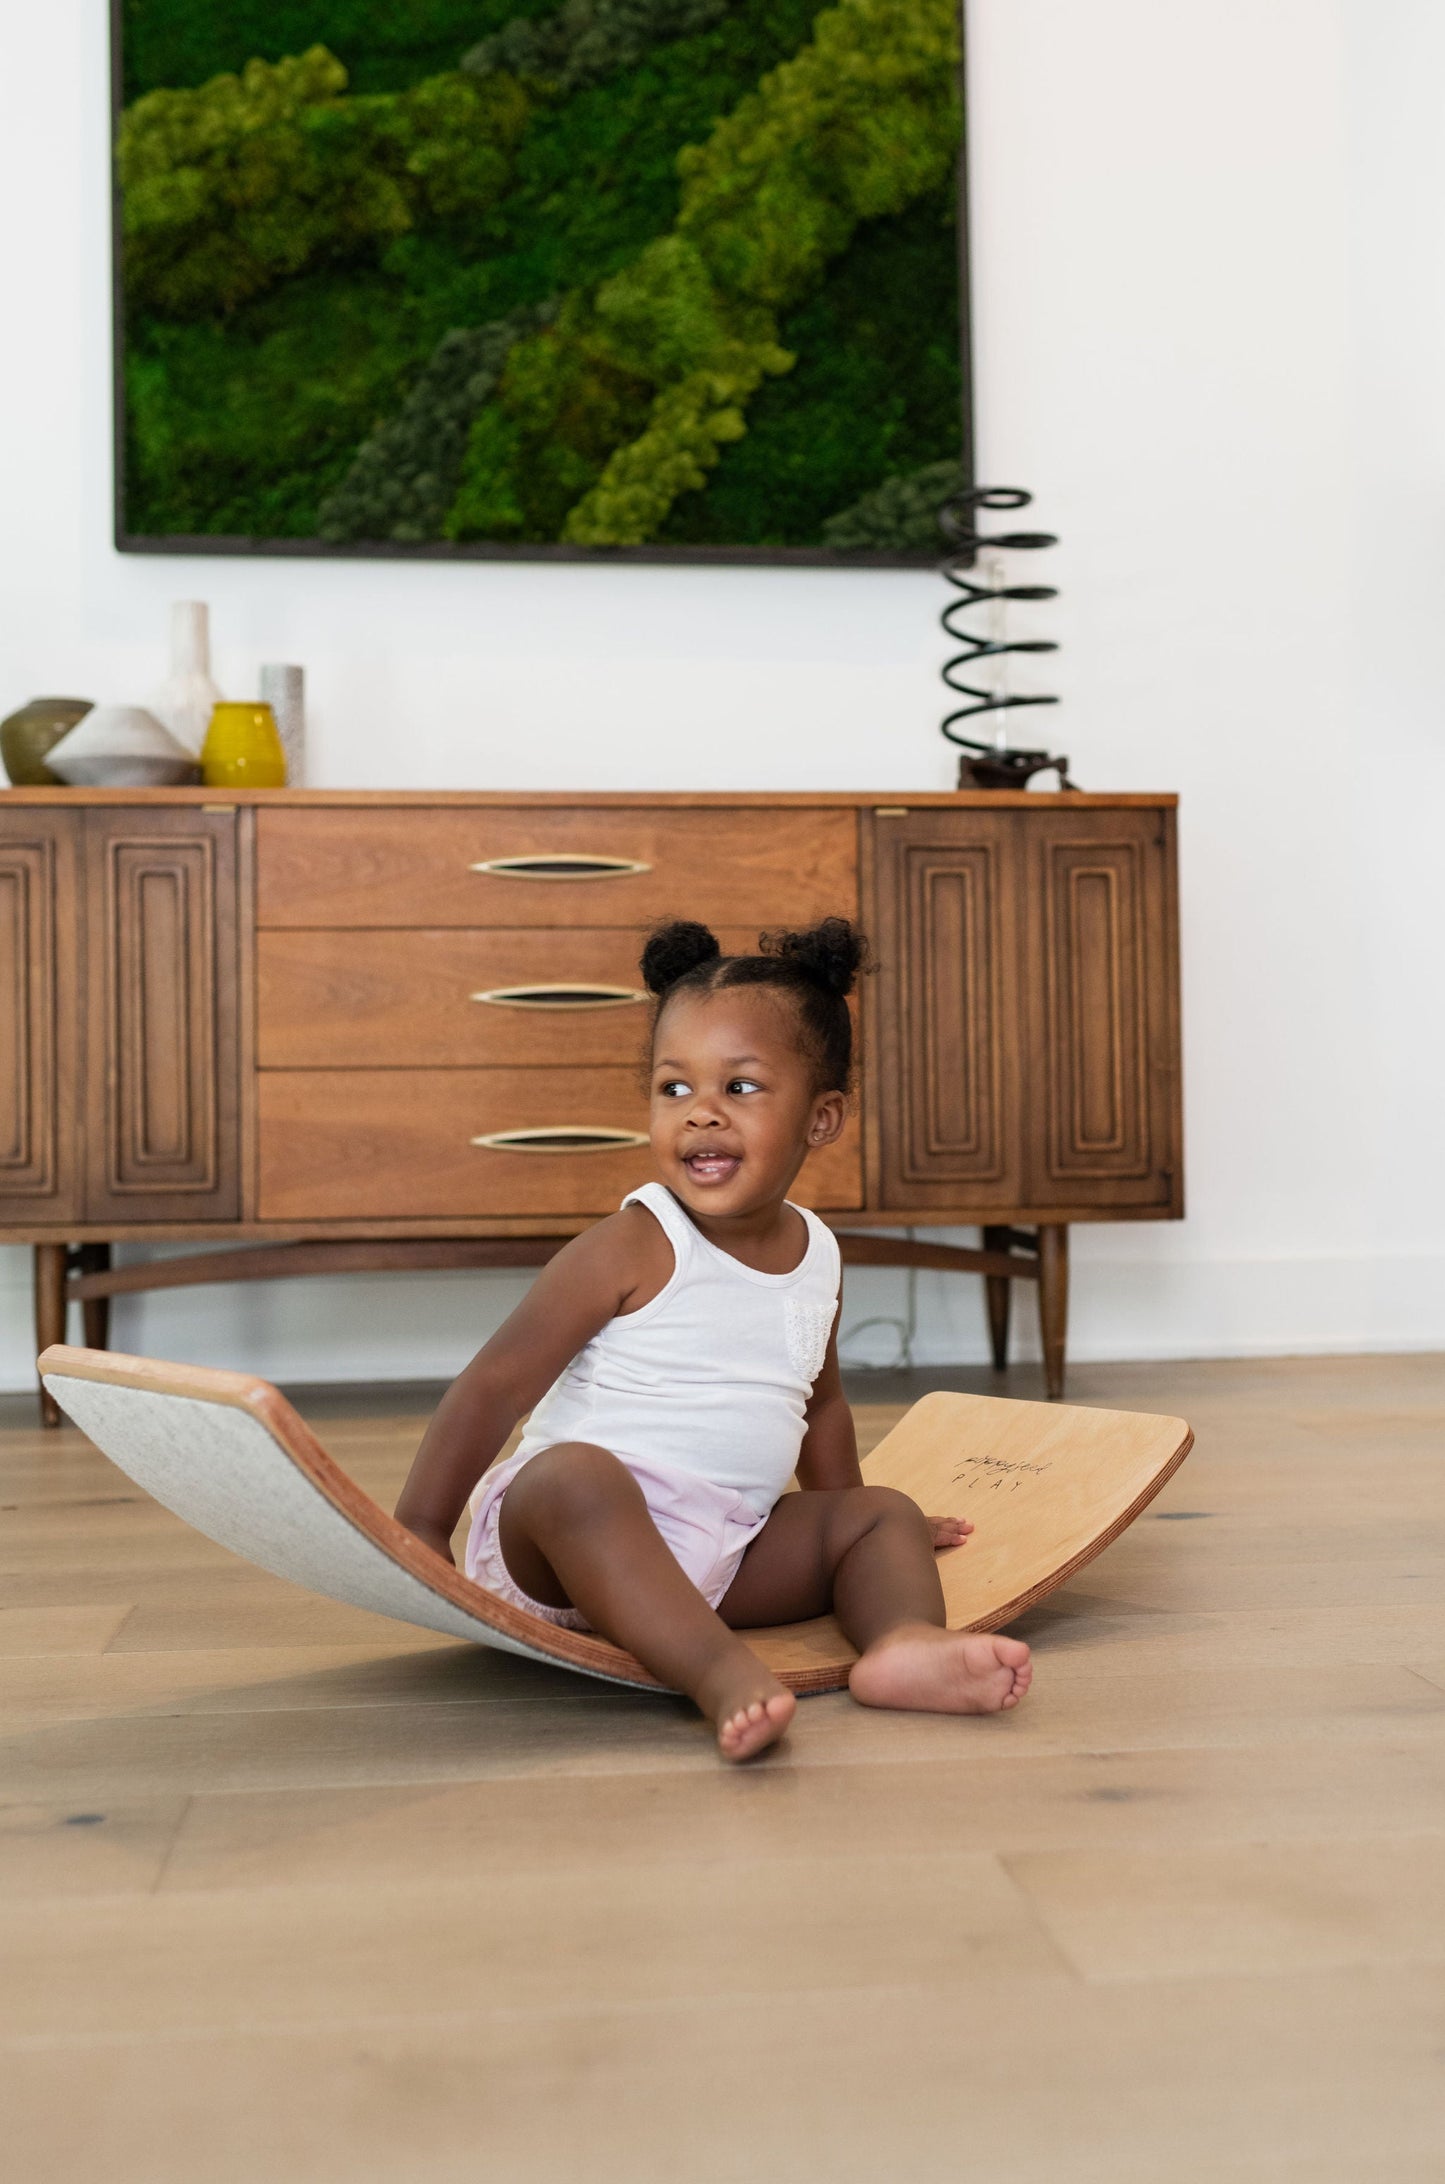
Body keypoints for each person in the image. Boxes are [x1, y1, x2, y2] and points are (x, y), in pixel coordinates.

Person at [394, 916, 1032, 1762]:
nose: (699, 1115)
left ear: (821, 1117)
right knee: (571, 1476)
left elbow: (822, 1405)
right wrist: (419, 1532)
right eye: (673, 1089)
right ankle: (719, 1673)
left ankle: (902, 1645)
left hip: (722, 1554)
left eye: (739, 1089)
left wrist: (850, 1522)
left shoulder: (819, 1254)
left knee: (884, 1514)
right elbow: (494, 1388)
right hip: (562, 1549)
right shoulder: (633, 1241)